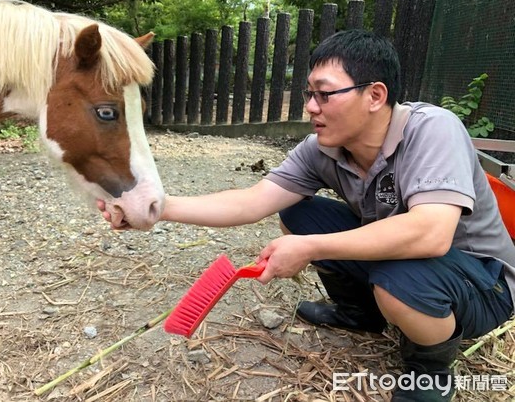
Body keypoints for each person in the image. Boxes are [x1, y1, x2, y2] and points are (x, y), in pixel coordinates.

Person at [98, 29, 515, 401]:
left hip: (483, 282)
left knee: (397, 279)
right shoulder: (321, 148)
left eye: (324, 94)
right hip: (411, 260)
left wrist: (310, 248)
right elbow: (251, 201)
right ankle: (360, 315)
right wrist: (157, 208)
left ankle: (431, 371)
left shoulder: (432, 129)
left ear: (375, 95)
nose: (311, 107)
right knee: (302, 215)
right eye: (308, 94)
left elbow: (431, 234)